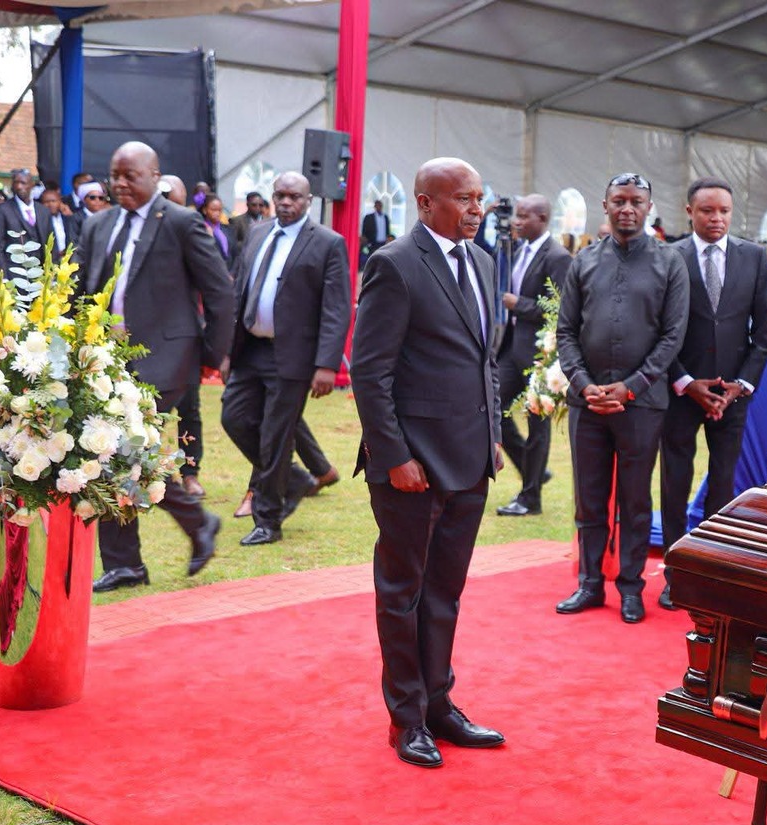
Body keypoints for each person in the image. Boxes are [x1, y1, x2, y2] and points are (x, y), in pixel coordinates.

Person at [351, 156, 505, 769]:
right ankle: (406, 717)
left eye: (479, 198)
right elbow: (370, 370)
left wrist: (492, 433)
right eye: (463, 199)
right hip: (411, 468)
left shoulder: (485, 262)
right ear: (425, 203)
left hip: (470, 460)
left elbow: (483, 359)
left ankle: (440, 704)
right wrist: (393, 456)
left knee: (445, 592)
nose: (475, 209)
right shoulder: (393, 265)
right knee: (403, 592)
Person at [77, 141, 233, 593]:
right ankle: (134, 558)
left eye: (130, 175)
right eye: (115, 175)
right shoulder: (98, 224)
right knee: (109, 454)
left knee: (115, 450)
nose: (120, 183)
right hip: (104, 360)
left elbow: (220, 292)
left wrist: (211, 354)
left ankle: (186, 528)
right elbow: (83, 289)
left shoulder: (181, 223)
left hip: (166, 358)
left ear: (154, 175)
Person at [555, 172, 689, 625]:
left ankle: (631, 587)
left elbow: (672, 337)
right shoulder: (584, 261)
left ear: (649, 207)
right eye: (619, 201)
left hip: (642, 403)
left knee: (634, 500)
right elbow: (566, 331)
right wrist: (582, 383)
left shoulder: (670, 263)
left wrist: (631, 386)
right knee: (588, 498)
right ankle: (590, 583)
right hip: (587, 403)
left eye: (636, 201)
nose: (627, 208)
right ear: (605, 204)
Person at [659, 177, 767, 610]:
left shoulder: (754, 257)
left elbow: (762, 332)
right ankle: (675, 574)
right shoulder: (669, 257)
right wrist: (686, 382)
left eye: (723, 211)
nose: (717, 219)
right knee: (675, 483)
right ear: (690, 212)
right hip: (682, 392)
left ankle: (710, 571)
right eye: (707, 211)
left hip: (732, 394)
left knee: (723, 485)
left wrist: (739, 386)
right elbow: (660, 330)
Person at [221, 171, 350, 546]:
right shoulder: (258, 233)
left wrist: (327, 364)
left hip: (292, 355)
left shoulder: (328, 243)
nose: (286, 202)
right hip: (251, 349)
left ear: (309, 201)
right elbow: (241, 292)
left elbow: (336, 308)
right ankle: (293, 479)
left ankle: (268, 520)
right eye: (281, 195)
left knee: (277, 436)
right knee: (234, 418)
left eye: (295, 197)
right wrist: (229, 351)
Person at [496, 193, 571, 517]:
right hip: (512, 348)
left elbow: (562, 309)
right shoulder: (517, 249)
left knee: (538, 426)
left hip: (543, 354)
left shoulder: (557, 256)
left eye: (524, 216)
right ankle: (534, 471)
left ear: (541, 219)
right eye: (516, 214)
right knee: (492, 409)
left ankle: (530, 499)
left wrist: (518, 305)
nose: (517, 221)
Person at [0, 168, 52, 271]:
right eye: (16, 183)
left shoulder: (43, 210)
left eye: (23, 183)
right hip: (13, 272)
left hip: (41, 272)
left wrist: (51, 273)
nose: (19, 186)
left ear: (32, 185)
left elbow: (51, 243)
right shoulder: (1, 210)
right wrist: (3, 277)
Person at [39, 187, 80, 255]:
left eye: (53, 201)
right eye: (46, 202)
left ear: (60, 201)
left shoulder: (68, 219)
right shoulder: (39, 221)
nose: (50, 204)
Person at [200, 194, 235, 270]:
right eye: (213, 210)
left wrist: (233, 273)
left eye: (219, 210)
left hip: (230, 274)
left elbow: (235, 254)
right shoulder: (201, 229)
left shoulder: (227, 229)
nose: (217, 213)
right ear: (205, 210)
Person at [229, 191, 268, 255]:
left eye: (261, 205)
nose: (257, 208)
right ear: (247, 204)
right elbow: (233, 243)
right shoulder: (237, 221)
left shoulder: (268, 222)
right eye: (254, 205)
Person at [360, 198, 392, 267]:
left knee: (382, 260)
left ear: (382, 206)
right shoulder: (368, 217)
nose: (378, 207)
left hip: (383, 243)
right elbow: (364, 230)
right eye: (377, 205)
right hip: (372, 243)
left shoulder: (385, 217)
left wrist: (388, 239)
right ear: (374, 207)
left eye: (380, 205)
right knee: (372, 260)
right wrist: (365, 240)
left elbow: (388, 230)